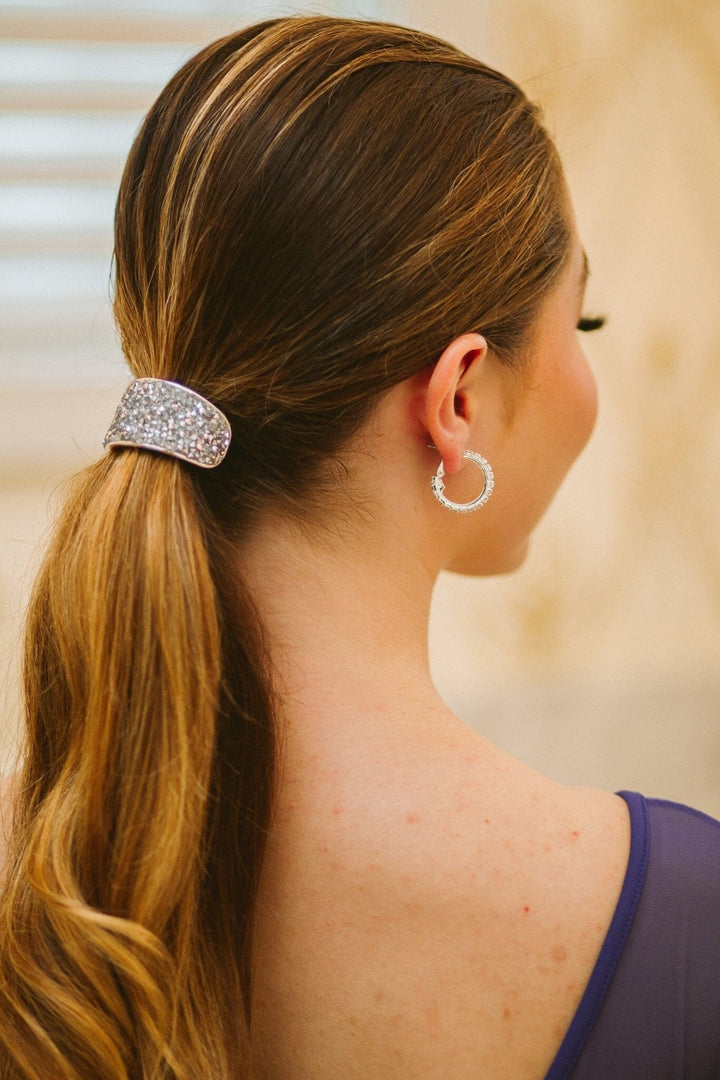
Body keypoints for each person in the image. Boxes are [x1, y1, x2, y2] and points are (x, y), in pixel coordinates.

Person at [0, 15, 718, 1080]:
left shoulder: (37, 867)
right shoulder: (686, 930)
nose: (585, 375)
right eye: (586, 324)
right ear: (459, 397)